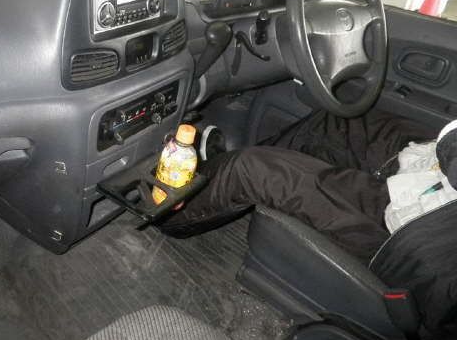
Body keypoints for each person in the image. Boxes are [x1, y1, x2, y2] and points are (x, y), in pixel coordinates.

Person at [158, 108, 447, 264]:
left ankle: (168, 212)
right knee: (340, 118)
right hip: (430, 172)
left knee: (250, 169)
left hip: (416, 229)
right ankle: (217, 172)